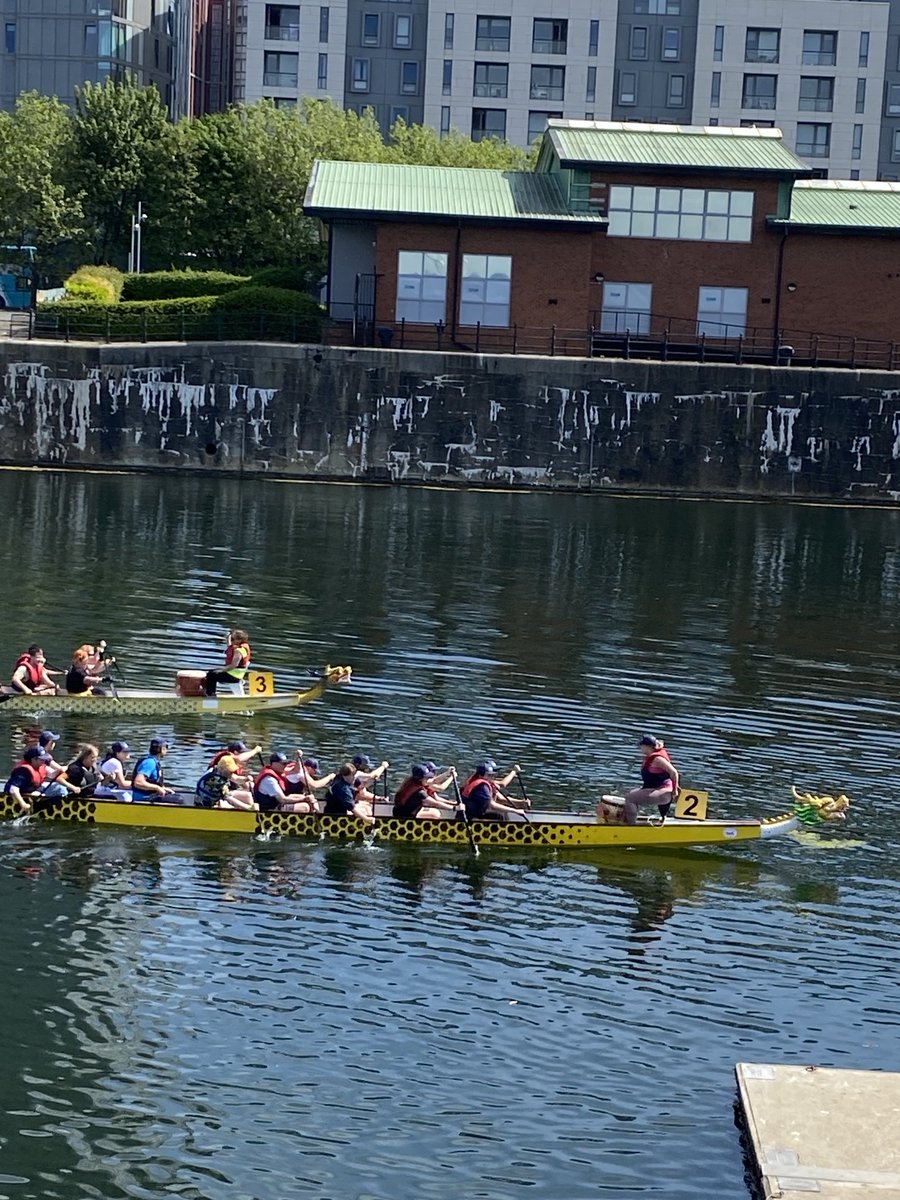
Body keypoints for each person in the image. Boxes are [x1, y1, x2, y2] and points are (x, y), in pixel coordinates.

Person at [620, 734, 680, 826]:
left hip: (664, 792)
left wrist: (675, 791)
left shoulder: (657, 759)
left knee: (630, 798)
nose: (640, 748)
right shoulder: (652, 756)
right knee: (631, 793)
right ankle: (633, 818)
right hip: (659, 789)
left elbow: (674, 772)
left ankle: (630, 826)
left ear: (647, 747)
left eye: (641, 746)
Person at [460, 760, 529, 821]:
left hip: (474, 813)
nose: (493, 777)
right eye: (490, 775)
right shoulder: (482, 787)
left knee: (500, 814)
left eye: (493, 774)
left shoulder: (485, 782)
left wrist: (521, 802)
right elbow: (492, 805)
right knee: (499, 816)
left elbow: (501, 799)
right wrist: (515, 811)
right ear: (481, 775)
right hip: (469, 817)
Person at [3, 746, 65, 813]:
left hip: (33, 791)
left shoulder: (41, 766)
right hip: (18, 796)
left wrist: (61, 770)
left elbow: (52, 775)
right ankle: (38, 808)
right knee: (59, 789)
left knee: (60, 787)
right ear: (34, 759)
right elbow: (13, 789)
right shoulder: (23, 771)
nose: (44, 761)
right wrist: (23, 804)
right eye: (42, 759)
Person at [252, 752, 318, 814]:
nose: (285, 766)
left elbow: (296, 769)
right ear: (274, 764)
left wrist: (298, 758)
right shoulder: (270, 780)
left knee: (305, 798)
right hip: (270, 809)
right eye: (283, 763)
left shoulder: (276, 772)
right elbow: (282, 799)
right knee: (305, 807)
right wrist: (303, 799)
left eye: (286, 763)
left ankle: (316, 815)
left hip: (277, 803)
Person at [393, 764, 460, 821]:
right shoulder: (420, 793)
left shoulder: (413, 781)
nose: (429, 779)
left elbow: (434, 780)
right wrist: (454, 808)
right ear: (421, 779)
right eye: (427, 777)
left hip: (400, 811)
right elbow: (436, 803)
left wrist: (448, 773)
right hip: (404, 817)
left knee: (435, 812)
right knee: (435, 814)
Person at [205, 629, 251, 697]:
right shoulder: (237, 647)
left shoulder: (239, 651)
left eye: (233, 639)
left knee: (211, 675)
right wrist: (228, 639)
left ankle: (211, 696)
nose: (231, 640)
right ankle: (210, 693)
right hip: (234, 674)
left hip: (233, 676)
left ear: (239, 640)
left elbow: (234, 665)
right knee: (212, 672)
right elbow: (230, 647)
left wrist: (221, 670)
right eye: (231, 638)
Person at [38, 731, 83, 797]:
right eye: (53, 742)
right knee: (61, 788)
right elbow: (60, 769)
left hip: (41, 783)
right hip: (39, 786)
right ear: (50, 743)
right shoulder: (45, 757)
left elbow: (52, 773)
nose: (54, 744)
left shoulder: (39, 752)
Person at [132, 739, 175, 803]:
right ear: (162, 749)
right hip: (144, 797)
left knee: (175, 795)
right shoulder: (150, 763)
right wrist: (157, 788)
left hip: (150, 795)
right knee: (179, 799)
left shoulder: (153, 761)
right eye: (166, 748)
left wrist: (162, 788)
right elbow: (138, 783)